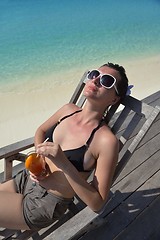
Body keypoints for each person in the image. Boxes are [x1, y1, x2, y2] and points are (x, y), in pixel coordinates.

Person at [0, 62, 128, 230]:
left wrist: (63, 163)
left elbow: (97, 203)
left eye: (106, 80)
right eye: (94, 74)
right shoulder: (68, 110)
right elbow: (41, 130)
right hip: (25, 179)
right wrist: (39, 160)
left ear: (114, 99)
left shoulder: (106, 141)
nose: (96, 80)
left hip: (43, 203)